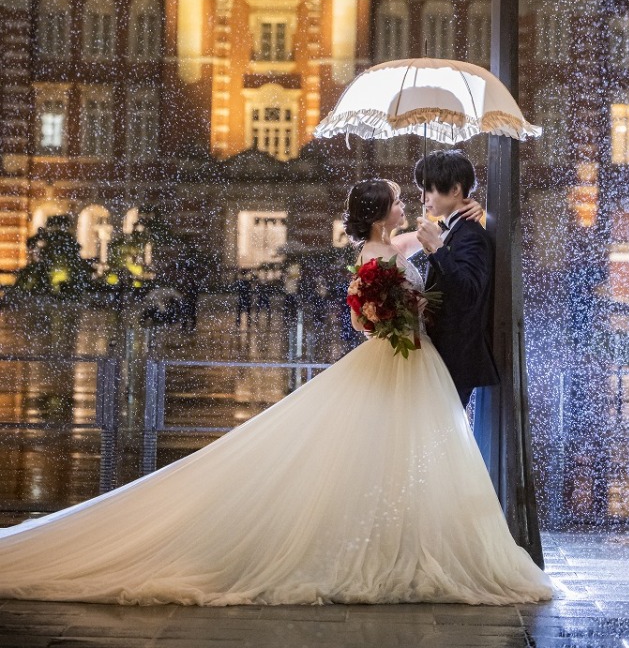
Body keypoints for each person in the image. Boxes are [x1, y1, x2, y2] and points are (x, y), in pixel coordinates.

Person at [0, 178, 551, 607]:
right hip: (403, 358)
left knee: (386, 449)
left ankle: (394, 537)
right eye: (398, 201)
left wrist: (460, 224)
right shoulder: (377, 255)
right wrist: (410, 308)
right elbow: (376, 309)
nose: (406, 205)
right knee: (389, 448)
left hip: (407, 359)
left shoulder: (383, 248)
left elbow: (418, 251)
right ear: (381, 212)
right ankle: (391, 541)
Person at [410, 150, 500, 407]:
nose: (424, 198)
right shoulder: (452, 230)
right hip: (443, 356)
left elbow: (467, 294)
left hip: (456, 359)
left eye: (429, 189)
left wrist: (438, 249)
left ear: (455, 190)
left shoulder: (470, 235)